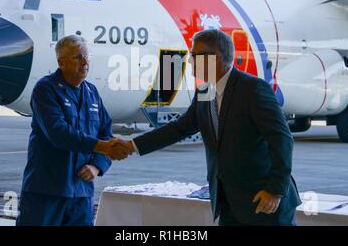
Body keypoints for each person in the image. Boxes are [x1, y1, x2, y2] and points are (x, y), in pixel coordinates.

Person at [118, 29, 301, 226]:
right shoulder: (205, 91)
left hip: (263, 200)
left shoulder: (252, 89)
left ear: (215, 58)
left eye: (195, 56)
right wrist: (132, 146)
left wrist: (275, 190)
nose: (190, 62)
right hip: (228, 201)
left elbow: (281, 139)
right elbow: (180, 128)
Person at [16, 35, 130, 226]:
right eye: (77, 57)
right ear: (61, 62)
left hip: (81, 194)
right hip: (47, 191)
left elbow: (105, 132)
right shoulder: (46, 89)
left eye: (86, 56)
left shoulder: (92, 93)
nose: (85, 62)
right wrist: (103, 147)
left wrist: (97, 166)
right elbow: (59, 133)